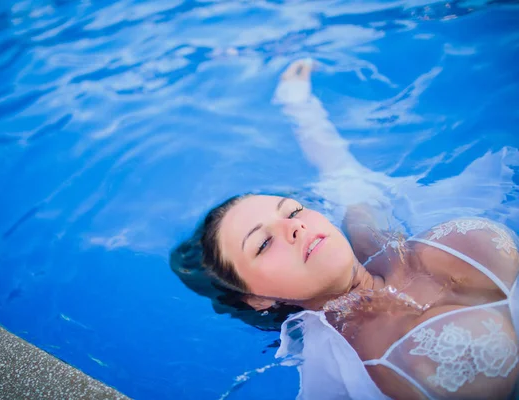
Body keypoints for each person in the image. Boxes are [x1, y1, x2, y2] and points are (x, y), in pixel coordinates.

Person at [171, 61, 519, 399]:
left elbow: (337, 166)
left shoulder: (372, 233)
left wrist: (298, 103)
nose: (294, 227)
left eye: (292, 211)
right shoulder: (344, 374)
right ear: (258, 298)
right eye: (262, 243)